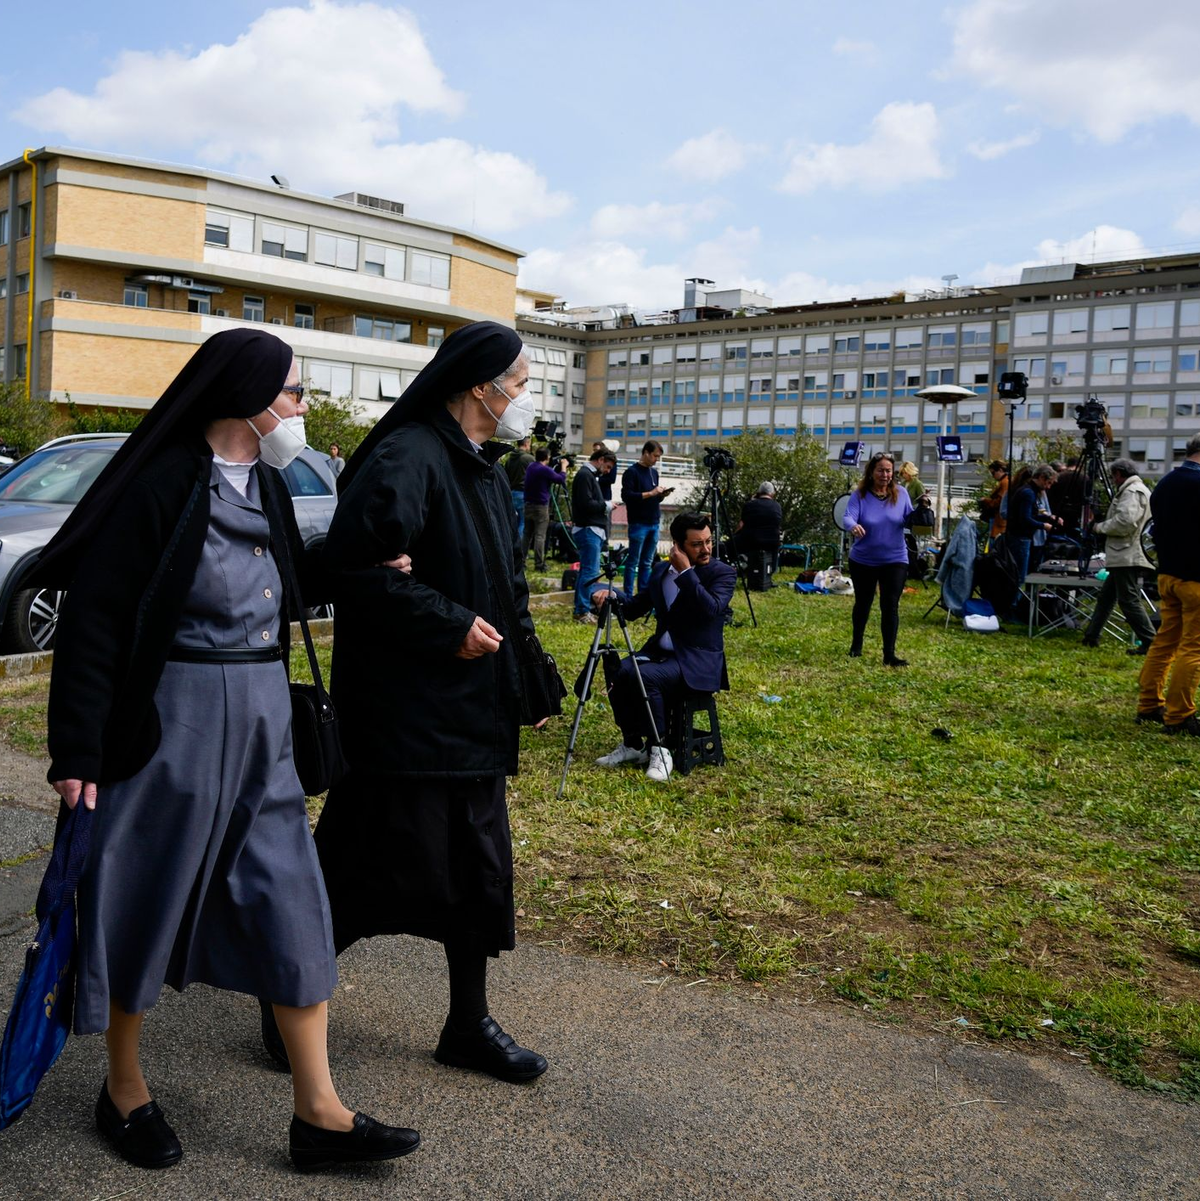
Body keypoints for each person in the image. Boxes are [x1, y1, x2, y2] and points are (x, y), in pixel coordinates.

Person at [34, 329, 419, 1172]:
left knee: (293, 896)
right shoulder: (162, 481)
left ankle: (319, 1112)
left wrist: (361, 565)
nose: (302, 408)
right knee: (143, 897)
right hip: (169, 723)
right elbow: (96, 623)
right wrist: (78, 751)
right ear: (245, 395)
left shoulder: (272, 486)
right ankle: (124, 1087)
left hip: (262, 723)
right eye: (292, 392)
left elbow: (284, 581)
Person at [308, 321, 550, 1083]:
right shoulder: (406, 455)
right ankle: (286, 1002)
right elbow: (354, 572)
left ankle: (468, 1023)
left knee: (478, 876)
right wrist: (448, 627)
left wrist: (532, 677)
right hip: (404, 723)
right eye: (517, 380)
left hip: (470, 717)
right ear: (479, 384)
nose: (523, 394)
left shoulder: (482, 467)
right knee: (359, 874)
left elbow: (506, 590)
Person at [591, 513, 735, 783]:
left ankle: (661, 749)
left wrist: (687, 573)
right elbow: (634, 609)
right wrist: (611, 595)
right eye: (696, 544)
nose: (705, 549)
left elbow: (710, 609)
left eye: (708, 542)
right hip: (662, 653)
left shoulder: (722, 573)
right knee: (618, 669)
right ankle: (633, 744)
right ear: (677, 546)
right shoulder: (660, 572)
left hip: (697, 660)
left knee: (645, 677)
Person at [1137, 432, 1200, 735]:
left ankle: (1149, 704)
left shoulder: (1164, 483)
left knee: (1165, 642)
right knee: (1194, 648)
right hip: (1196, 578)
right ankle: (1179, 715)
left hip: (1167, 574)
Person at [844, 452, 915, 666]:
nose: (885, 475)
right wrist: (853, 526)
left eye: (888, 471)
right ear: (872, 472)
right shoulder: (860, 495)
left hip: (895, 558)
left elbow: (910, 519)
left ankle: (889, 654)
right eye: (881, 470)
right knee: (863, 603)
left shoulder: (901, 493)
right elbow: (848, 516)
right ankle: (857, 644)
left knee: (890, 605)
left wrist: (923, 511)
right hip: (864, 559)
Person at [1081, 458, 1157, 653]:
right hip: (1125, 552)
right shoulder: (1136, 489)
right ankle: (1091, 636)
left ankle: (1151, 642)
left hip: (1127, 553)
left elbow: (1125, 522)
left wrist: (1098, 527)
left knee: (1128, 600)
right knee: (1106, 598)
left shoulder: (1132, 491)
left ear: (1119, 474)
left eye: (1114, 476)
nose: (1113, 480)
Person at [571, 446, 617, 624]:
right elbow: (585, 504)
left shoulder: (588, 476)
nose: (607, 471)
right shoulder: (585, 475)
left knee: (587, 571)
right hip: (588, 529)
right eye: (607, 467)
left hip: (590, 529)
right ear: (600, 460)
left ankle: (583, 608)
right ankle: (582, 610)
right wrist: (605, 505)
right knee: (589, 572)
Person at [1005, 464, 1057, 611]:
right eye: (1048, 483)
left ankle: (1012, 606)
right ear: (1041, 478)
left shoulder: (1026, 490)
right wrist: (1044, 526)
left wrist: (1049, 518)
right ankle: (1012, 608)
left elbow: (1030, 515)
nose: (1048, 487)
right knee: (1019, 576)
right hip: (1020, 537)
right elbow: (1025, 519)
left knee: (1018, 575)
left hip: (1018, 536)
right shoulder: (1029, 493)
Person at [621, 440, 670, 594]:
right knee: (633, 561)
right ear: (646, 453)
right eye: (655, 456)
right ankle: (628, 594)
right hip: (638, 523)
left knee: (647, 562)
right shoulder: (632, 472)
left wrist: (661, 495)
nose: (657, 460)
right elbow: (627, 496)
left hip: (654, 521)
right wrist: (651, 493)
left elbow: (654, 497)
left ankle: (643, 593)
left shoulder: (653, 472)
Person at [522, 446, 568, 571]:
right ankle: (539, 564)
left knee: (527, 535)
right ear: (547, 457)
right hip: (540, 507)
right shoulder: (544, 470)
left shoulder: (531, 467)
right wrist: (563, 467)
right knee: (540, 536)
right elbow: (560, 479)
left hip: (528, 504)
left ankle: (521, 561)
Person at [733, 481, 783, 555]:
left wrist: (734, 534)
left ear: (758, 492)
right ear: (772, 493)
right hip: (773, 544)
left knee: (728, 545)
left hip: (751, 543)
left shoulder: (749, 505)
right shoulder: (778, 506)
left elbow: (741, 525)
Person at [503, 435, 535, 542]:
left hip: (511, 492)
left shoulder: (510, 459)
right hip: (523, 493)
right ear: (526, 444)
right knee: (523, 522)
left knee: (513, 522)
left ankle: (510, 544)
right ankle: (519, 548)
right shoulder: (528, 458)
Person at [979, 460, 1009, 545]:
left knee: (994, 545)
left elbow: (1000, 502)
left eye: (993, 473)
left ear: (1000, 470)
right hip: (998, 519)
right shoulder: (1005, 482)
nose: (993, 476)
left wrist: (986, 500)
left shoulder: (1005, 483)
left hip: (999, 519)